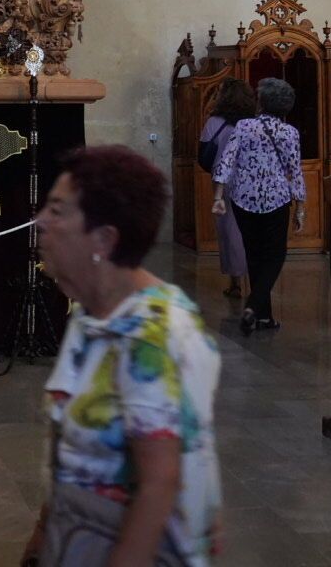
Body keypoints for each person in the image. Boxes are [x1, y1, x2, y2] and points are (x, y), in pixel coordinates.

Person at [22, 145, 222, 567]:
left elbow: (158, 486)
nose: (41, 221)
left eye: (58, 211)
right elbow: (73, 448)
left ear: (104, 239)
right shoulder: (92, 311)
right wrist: (41, 539)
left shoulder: (154, 334)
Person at [212, 78, 305, 336]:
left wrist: (218, 196)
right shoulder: (290, 133)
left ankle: (264, 317)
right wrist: (300, 206)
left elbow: (226, 162)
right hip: (277, 199)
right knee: (275, 255)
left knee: (254, 254)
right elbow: (294, 171)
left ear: (261, 102)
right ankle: (254, 307)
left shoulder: (243, 126)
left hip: (243, 199)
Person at [196, 80, 256, 299]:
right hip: (252, 181)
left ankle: (236, 283)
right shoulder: (254, 123)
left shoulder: (214, 122)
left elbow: (202, 153)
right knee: (251, 229)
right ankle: (256, 282)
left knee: (230, 231)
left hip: (224, 181)